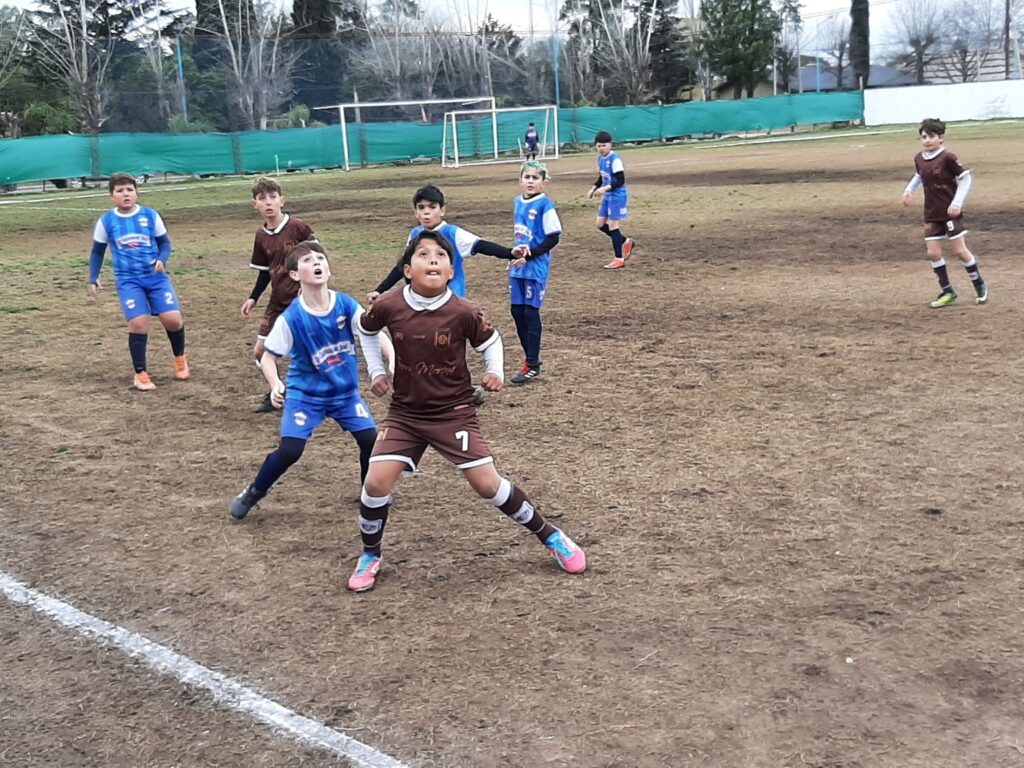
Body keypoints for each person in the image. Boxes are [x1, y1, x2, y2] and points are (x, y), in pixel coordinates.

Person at [347, 230, 587, 592]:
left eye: (440, 256)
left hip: (453, 413)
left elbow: (491, 341)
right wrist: (378, 372)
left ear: (450, 269)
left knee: (488, 485)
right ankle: (370, 555)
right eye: (423, 255)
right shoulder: (389, 305)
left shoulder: (463, 311)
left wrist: (495, 370)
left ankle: (551, 536)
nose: (432, 260)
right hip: (406, 415)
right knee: (375, 482)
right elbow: (364, 330)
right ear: (407, 270)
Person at [229, 241, 378, 520]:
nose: (317, 263)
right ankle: (254, 491)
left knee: (370, 439)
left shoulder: (345, 304)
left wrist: (390, 360)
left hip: (344, 395)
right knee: (290, 450)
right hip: (305, 396)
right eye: (308, 260)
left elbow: (373, 332)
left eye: (321, 258)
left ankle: (370, 494)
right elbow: (268, 357)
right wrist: (275, 385)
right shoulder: (292, 318)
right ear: (295, 275)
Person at [367, 184, 514, 404]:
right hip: (420, 302)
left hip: (449, 304)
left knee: (451, 349)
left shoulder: (453, 233)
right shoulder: (415, 235)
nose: (426, 212)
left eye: (432, 207)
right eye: (421, 208)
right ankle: (420, 387)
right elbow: (402, 268)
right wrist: (381, 289)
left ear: (442, 210)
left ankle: (461, 389)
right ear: (415, 212)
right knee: (422, 344)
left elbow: (481, 245)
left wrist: (510, 253)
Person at [88, 172, 189, 391]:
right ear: (111, 196)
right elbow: (97, 252)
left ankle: (179, 358)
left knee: (172, 319)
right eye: (120, 191)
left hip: (156, 278)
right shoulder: (107, 221)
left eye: (129, 190)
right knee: (138, 323)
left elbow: (165, 244)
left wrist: (162, 260)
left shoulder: (150, 216)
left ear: (136, 192)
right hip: (128, 281)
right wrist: (93, 277)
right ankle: (140, 374)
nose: (125, 194)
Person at [241, 177, 317, 413]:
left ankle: (316, 395)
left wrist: (313, 290)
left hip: (301, 302)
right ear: (255, 205)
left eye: (273, 197)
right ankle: (277, 391)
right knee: (260, 351)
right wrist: (253, 297)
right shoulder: (261, 236)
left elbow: (318, 259)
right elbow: (265, 272)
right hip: (277, 301)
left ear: (282, 200)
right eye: (262, 198)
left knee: (308, 350)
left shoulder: (297, 227)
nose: (268, 202)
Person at [900, 118, 989, 308]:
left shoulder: (948, 157)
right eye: (923, 136)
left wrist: (957, 202)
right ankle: (948, 291)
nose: (927, 140)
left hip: (950, 213)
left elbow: (966, 179)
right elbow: (919, 175)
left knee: (959, 251)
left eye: (931, 136)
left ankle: (979, 284)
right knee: (933, 253)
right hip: (931, 213)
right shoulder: (919, 158)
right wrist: (908, 191)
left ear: (941, 138)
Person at [508, 160, 561, 384]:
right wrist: (514, 255)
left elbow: (553, 237)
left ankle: (532, 362)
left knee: (530, 313)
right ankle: (529, 360)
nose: (531, 181)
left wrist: (528, 256)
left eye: (535, 178)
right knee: (517, 311)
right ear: (520, 180)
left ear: (544, 182)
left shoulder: (545, 205)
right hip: (518, 266)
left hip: (535, 266)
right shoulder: (517, 202)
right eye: (527, 177)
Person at [587, 130, 636, 270]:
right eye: (598, 146)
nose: (601, 148)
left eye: (604, 145)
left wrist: (604, 189)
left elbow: (620, 180)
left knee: (614, 226)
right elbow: (602, 177)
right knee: (600, 224)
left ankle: (619, 259)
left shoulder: (615, 159)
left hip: (618, 196)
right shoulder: (600, 159)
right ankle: (626, 241)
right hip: (608, 195)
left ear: (610, 145)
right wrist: (594, 187)